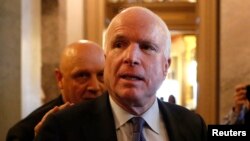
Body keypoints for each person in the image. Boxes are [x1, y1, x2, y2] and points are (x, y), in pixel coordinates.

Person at [35, 6, 207, 141]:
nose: (131, 57)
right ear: (106, 59)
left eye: (147, 47)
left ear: (165, 66)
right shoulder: (61, 129)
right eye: (119, 44)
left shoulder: (193, 126)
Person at [6, 40, 106, 141]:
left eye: (101, 75)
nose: (95, 87)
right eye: (82, 75)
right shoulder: (23, 134)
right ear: (60, 78)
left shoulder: (115, 117)